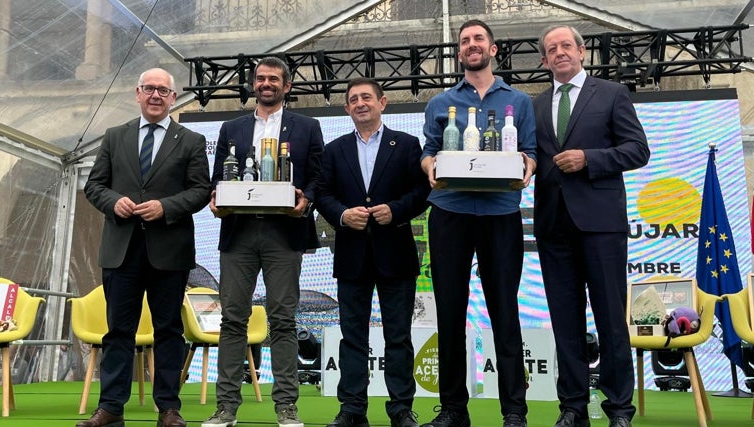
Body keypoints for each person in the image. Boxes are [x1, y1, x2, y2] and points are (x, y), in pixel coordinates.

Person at [419, 19, 536, 427]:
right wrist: (429, 164)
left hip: (501, 213)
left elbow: (531, 152)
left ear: (493, 49)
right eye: (465, 40)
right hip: (449, 212)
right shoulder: (440, 103)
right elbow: (429, 151)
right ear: (459, 52)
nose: (472, 45)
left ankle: (514, 411)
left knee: (505, 311)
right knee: (450, 311)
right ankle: (453, 409)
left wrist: (528, 166)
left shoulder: (519, 102)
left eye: (478, 39)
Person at [532, 25, 650, 427]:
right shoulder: (535, 104)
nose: (560, 52)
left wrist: (589, 159)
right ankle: (573, 407)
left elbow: (638, 150)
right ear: (545, 60)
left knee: (611, 320)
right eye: (552, 49)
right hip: (552, 228)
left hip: (600, 226)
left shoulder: (612, 93)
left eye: (567, 45)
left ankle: (619, 408)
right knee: (565, 322)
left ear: (582, 52)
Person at [81, 67, 211, 427]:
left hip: (169, 249)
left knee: (169, 329)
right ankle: (110, 409)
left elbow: (201, 190)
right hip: (121, 249)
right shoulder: (113, 136)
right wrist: (113, 202)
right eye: (149, 89)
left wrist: (166, 206)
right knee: (118, 330)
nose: (156, 95)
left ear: (173, 98)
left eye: (163, 90)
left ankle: (169, 409)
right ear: (137, 94)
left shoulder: (191, 141)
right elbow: (95, 186)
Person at [204, 56, 324, 427]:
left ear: (287, 86)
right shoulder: (232, 128)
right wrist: (216, 201)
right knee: (232, 320)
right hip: (239, 234)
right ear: (253, 85)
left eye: (274, 79)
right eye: (260, 78)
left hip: (283, 234)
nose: (266, 83)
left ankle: (286, 406)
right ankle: (226, 407)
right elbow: (217, 180)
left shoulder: (307, 127)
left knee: (283, 320)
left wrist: (306, 201)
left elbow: (319, 177)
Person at [316, 77, 430, 427]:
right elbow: (322, 194)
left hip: (396, 253)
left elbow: (422, 190)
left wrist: (396, 210)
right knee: (352, 337)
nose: (361, 103)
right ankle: (352, 409)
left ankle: (400, 409)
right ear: (347, 108)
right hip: (351, 255)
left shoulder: (409, 145)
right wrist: (340, 214)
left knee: (398, 336)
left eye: (367, 97)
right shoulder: (334, 149)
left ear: (383, 102)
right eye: (354, 99)